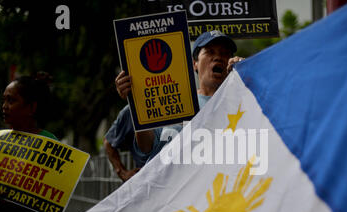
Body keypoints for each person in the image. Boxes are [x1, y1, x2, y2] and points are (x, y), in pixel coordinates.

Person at [104, 31, 243, 173]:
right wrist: (137, 101)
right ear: (194, 63)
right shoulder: (170, 101)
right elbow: (147, 147)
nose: (218, 57)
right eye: (210, 52)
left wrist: (251, 77)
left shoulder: (243, 102)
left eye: (225, 53)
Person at [0, 74, 62, 212]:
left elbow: (57, 206)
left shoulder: (51, 144)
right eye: (4, 100)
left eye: (11, 100)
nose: (4, 106)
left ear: (31, 108)